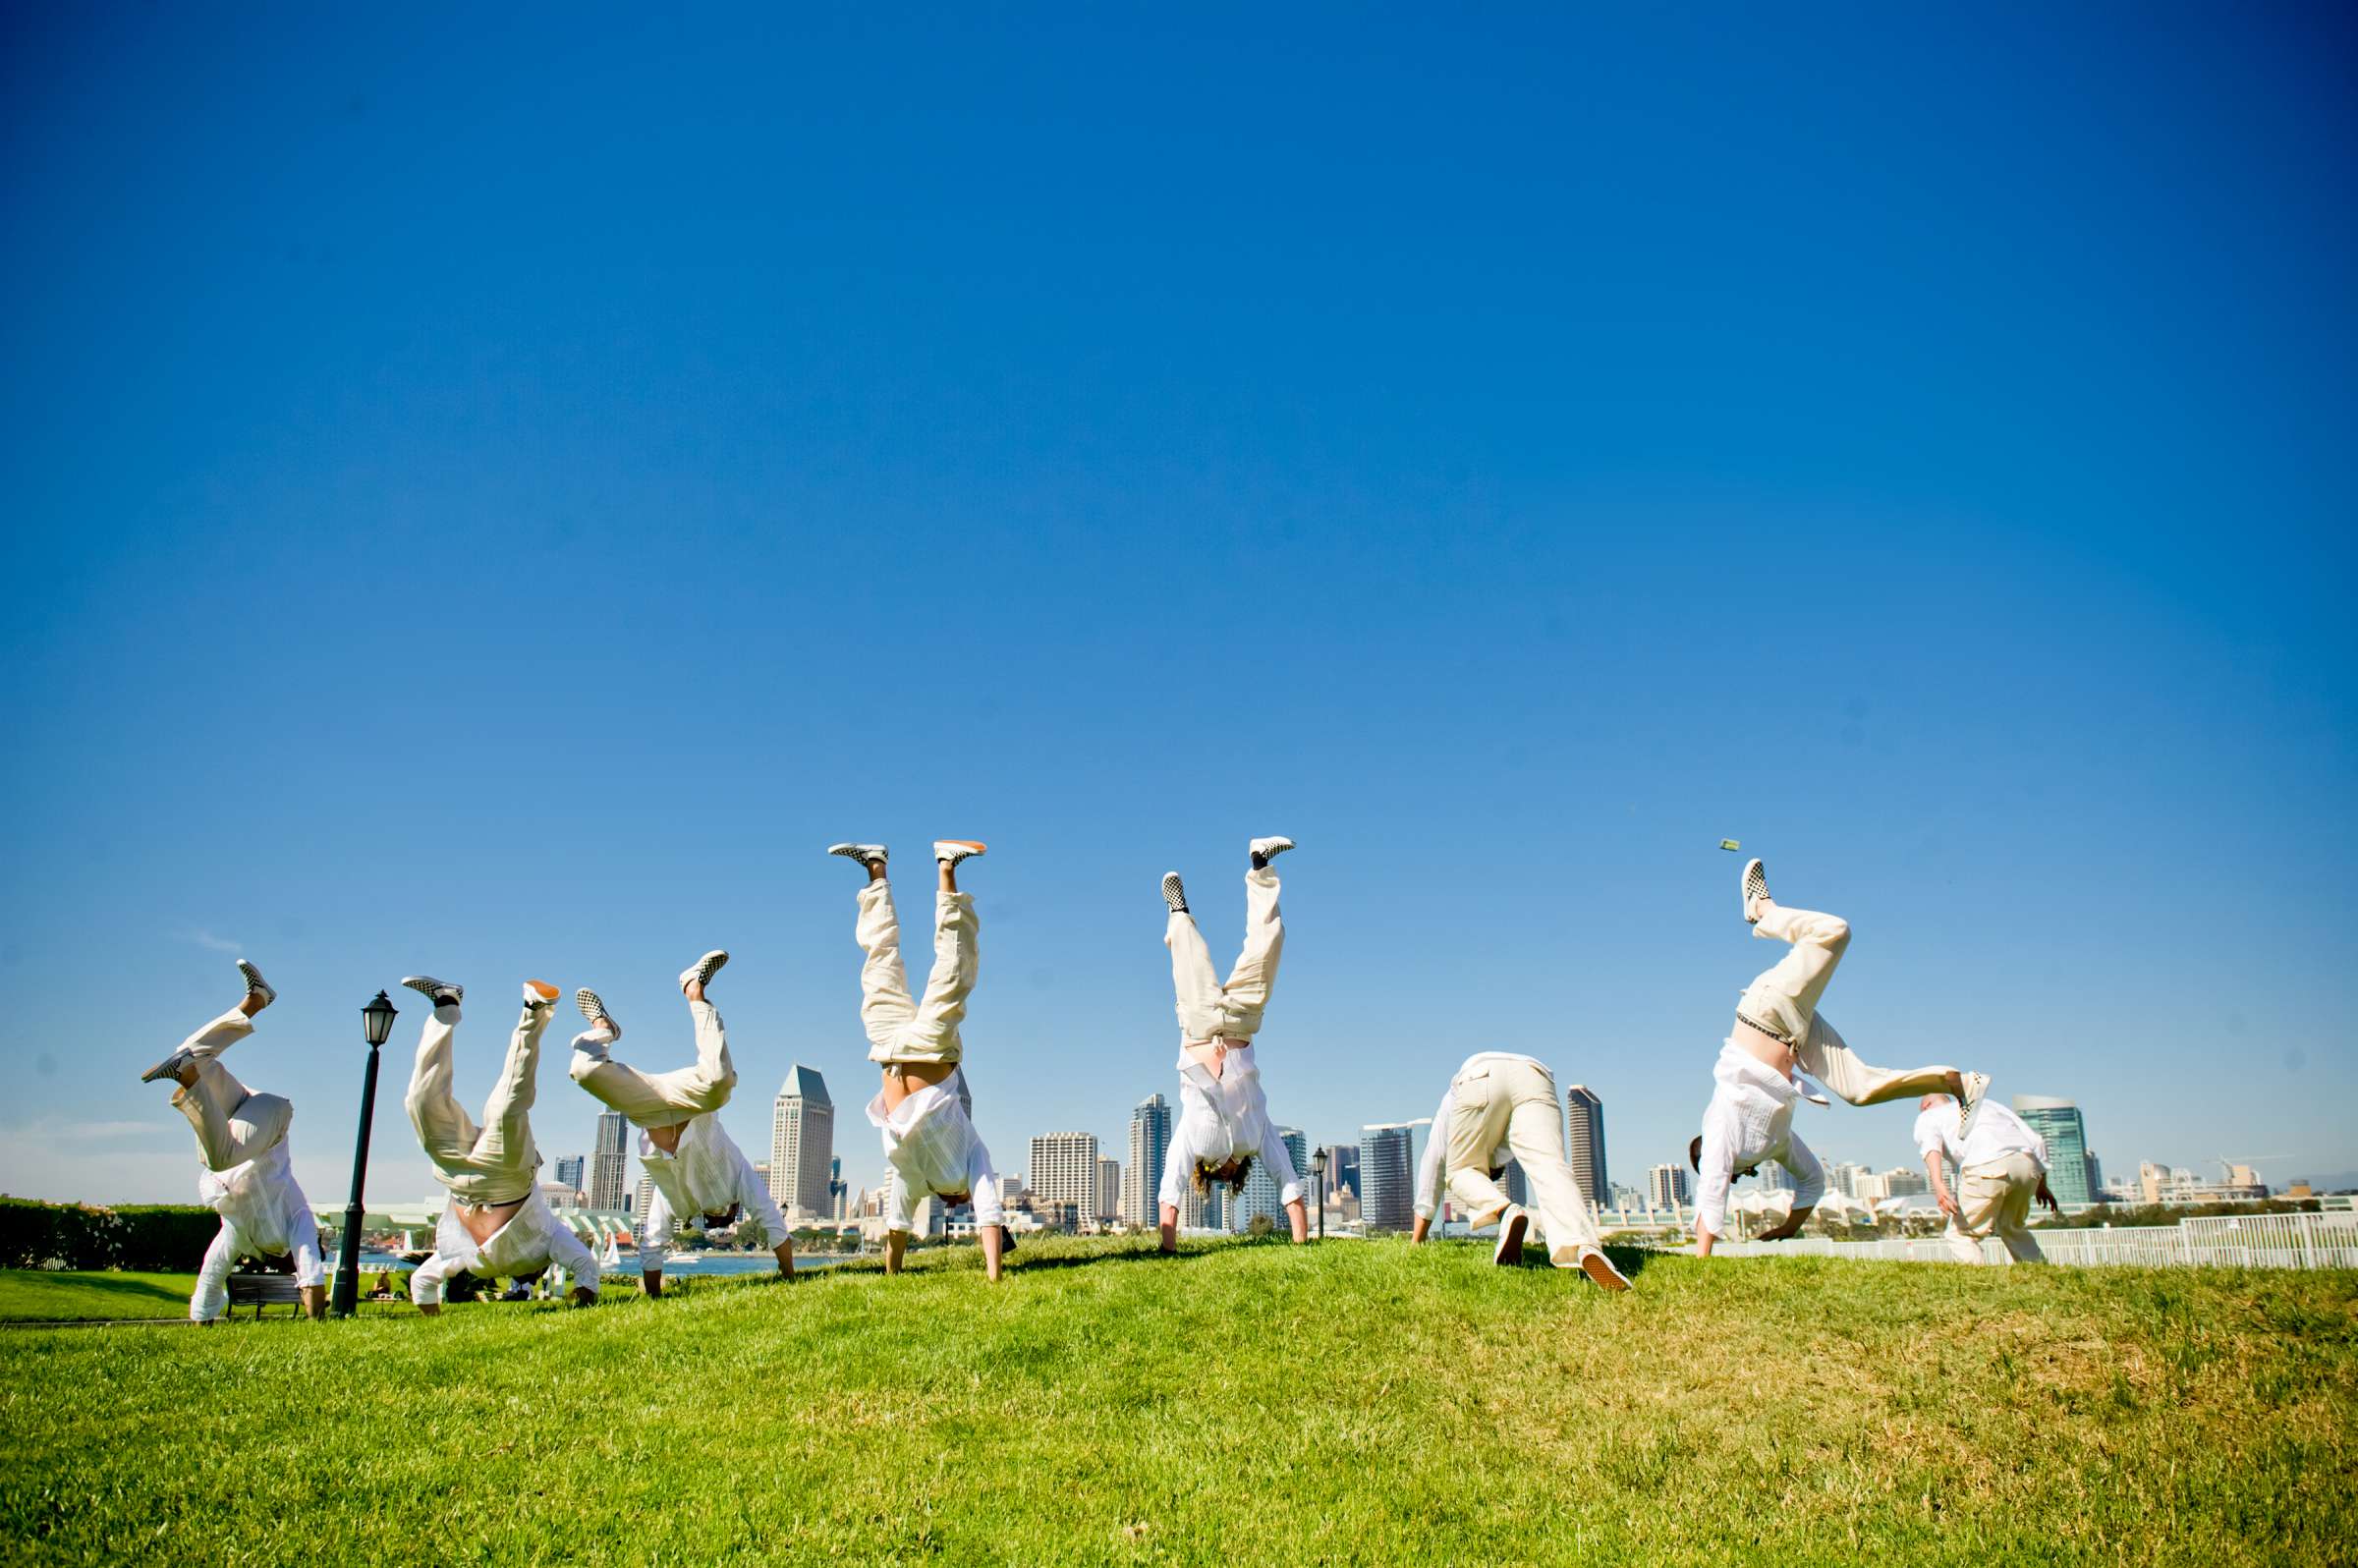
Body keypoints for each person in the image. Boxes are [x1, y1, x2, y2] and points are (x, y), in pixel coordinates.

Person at [1690, 859, 1991, 1258]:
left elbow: (1711, 1195)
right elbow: (1813, 1180)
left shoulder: (1720, 1128)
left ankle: (1761, 909)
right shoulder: (1774, 1146)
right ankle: (1956, 1083)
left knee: (1834, 932)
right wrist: (1788, 1228)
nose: (1711, 1156)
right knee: (1861, 1090)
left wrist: (1702, 1259)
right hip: (1797, 1034)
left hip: (1765, 1012)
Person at [567, 950, 794, 1297]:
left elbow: (652, 1242)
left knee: (583, 1071)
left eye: (716, 1220)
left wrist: (654, 1297)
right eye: (727, 1218)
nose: (720, 1218)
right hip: (691, 1101)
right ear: (735, 1210)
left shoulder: (677, 1202)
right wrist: (789, 1277)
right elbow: (771, 1220)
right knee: (719, 1082)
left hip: (649, 1108)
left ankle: (603, 1028)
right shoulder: (738, 1177)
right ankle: (694, 990)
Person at [830, 840, 1008, 1281]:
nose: (957, 1203)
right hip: (931, 1049)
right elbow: (989, 1213)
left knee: (878, 964)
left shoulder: (913, 1183)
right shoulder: (973, 1157)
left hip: (889, 1049)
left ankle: (876, 869)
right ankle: (947, 866)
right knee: (953, 970)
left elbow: (896, 1226)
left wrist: (891, 1275)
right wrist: (994, 1277)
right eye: (961, 1200)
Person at [140, 960, 326, 1322]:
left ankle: (254, 1002)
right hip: (270, 1121)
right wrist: (317, 1324)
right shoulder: (298, 1220)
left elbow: (211, 1274)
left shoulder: (237, 1234)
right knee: (220, 1158)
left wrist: (202, 1321)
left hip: (240, 1117)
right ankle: (190, 1077)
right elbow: (311, 1275)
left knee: (194, 1054)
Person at [400, 975, 600, 1314]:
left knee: (419, 1101)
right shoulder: (551, 1240)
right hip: (508, 1179)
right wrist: (579, 1304)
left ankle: (446, 1006)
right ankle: (536, 1010)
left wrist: (432, 1324)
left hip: (455, 1175)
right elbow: (586, 1268)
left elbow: (422, 1282)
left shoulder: (459, 1258)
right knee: (506, 1106)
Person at [1155, 838, 1309, 1252]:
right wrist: (1302, 1246)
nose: (1223, 1172)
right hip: (1242, 1021)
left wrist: (1168, 1251)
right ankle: (1260, 866)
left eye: (1216, 1176)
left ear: (1206, 1172)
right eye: (1230, 1177)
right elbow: (1290, 1184)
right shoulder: (1258, 1136)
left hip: (1201, 1027)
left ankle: (1178, 912)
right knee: (1268, 948)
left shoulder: (1190, 1139)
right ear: (1239, 1170)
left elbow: (1170, 1193)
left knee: (1187, 955)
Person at [1408, 1054, 1631, 1289]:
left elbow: (1434, 1161)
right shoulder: (1506, 1146)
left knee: (1461, 1170)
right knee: (1550, 1167)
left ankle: (1506, 1210)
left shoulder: (1455, 1109)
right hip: (1536, 1077)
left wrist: (1417, 1242)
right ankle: (1584, 1245)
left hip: (1480, 1074)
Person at [1915, 1091, 2056, 1264]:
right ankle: (2040, 1274)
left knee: (1960, 1233)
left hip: (1987, 1164)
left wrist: (1938, 1184)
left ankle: (1978, 1281)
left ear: (1925, 1106)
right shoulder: (1985, 1103)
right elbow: (2037, 1141)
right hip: (2027, 1165)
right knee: (2012, 1227)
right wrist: (2042, 1184)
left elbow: (1930, 1147)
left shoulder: (1928, 1116)